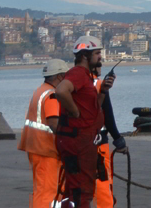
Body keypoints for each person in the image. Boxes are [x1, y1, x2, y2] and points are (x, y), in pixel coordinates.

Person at [55, 42, 113, 208]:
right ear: (84, 56)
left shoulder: (85, 77)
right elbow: (60, 91)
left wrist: (103, 91)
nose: (100, 56)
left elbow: (92, 107)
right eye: (96, 53)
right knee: (82, 188)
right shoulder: (78, 74)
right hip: (78, 140)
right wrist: (74, 111)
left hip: (80, 139)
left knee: (74, 186)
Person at [18, 58, 71, 208]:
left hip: (37, 148)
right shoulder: (52, 95)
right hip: (46, 150)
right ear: (60, 76)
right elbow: (54, 123)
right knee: (47, 192)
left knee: (43, 190)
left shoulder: (40, 91)